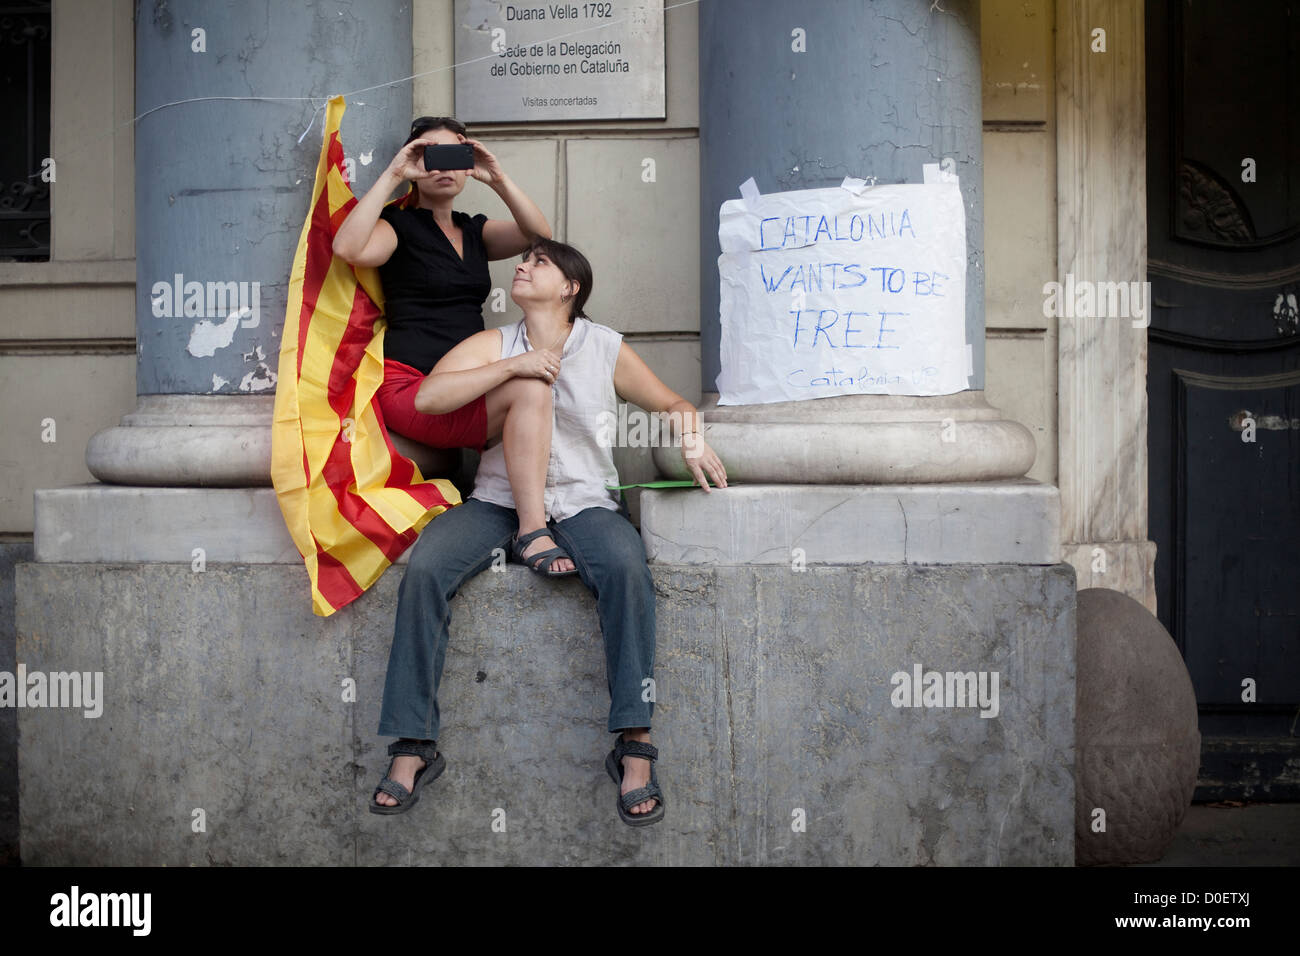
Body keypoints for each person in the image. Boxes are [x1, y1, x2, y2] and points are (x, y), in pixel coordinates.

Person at [370, 238, 728, 826]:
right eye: (523, 259)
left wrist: (690, 434)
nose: (522, 266)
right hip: (498, 502)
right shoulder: (494, 343)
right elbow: (428, 398)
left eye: (539, 262)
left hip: (585, 501)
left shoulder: (604, 346)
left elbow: (673, 402)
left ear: (570, 287)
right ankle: (412, 745)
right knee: (427, 568)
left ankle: (634, 747)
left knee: (625, 571)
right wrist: (512, 365)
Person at [332, 115, 576, 574]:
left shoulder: (475, 230)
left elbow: (540, 235)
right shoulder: (397, 228)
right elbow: (348, 248)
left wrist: (497, 176)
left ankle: (530, 522)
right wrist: (394, 173)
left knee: (534, 386)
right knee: (526, 382)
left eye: (454, 156)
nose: (442, 166)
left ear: (468, 165)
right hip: (414, 385)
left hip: (468, 381)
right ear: (415, 163)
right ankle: (532, 529)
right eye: (429, 155)